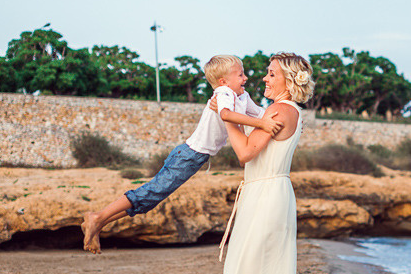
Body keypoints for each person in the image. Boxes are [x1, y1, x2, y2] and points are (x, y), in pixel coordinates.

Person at [81, 55, 282, 254]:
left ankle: (99, 222)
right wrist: (262, 124)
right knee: (151, 192)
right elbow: (226, 114)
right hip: (188, 156)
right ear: (223, 82)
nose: (246, 78)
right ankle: (97, 218)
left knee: (151, 199)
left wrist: (284, 110)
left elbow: (262, 113)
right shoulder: (224, 93)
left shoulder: (242, 97)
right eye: (240, 75)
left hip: (194, 158)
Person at [208, 52, 315, 274]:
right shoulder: (286, 109)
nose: (264, 78)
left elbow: (244, 153)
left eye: (271, 74)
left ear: (288, 81)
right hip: (267, 193)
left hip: (266, 196)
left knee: (255, 273)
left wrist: (226, 117)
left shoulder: (280, 110)